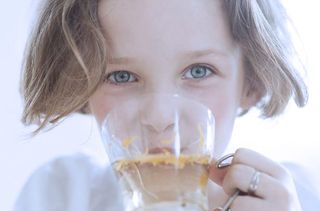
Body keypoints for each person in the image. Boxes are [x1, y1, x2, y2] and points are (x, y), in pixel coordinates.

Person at [14, 0, 319, 210]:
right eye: (121, 76)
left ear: (251, 83)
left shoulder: (296, 197)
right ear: (82, 84)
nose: (159, 118)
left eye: (199, 71)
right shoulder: (60, 194)